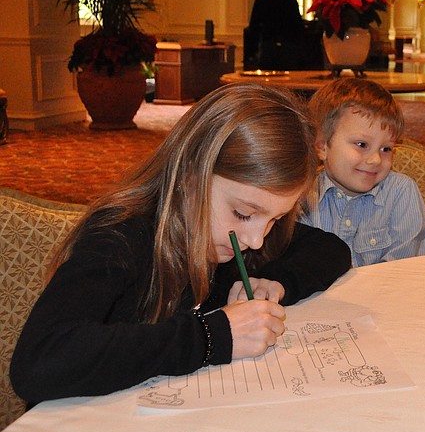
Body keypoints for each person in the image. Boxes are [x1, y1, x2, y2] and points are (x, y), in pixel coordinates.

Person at [10, 83, 352, 404]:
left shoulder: (235, 235)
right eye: (243, 213)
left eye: (275, 219)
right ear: (191, 177)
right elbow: (40, 361)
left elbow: (330, 250)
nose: (255, 239)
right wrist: (211, 337)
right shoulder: (121, 236)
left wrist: (275, 282)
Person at [299, 77, 425, 267]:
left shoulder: (401, 192)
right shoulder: (303, 197)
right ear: (322, 147)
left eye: (386, 149)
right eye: (362, 145)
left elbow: (406, 268)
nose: (375, 159)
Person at [244, 0, 305, 70]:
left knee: (266, 79)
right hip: (287, 48)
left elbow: (253, 28)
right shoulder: (291, 2)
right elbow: (297, 27)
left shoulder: (261, 1)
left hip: (267, 47)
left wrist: (252, 52)